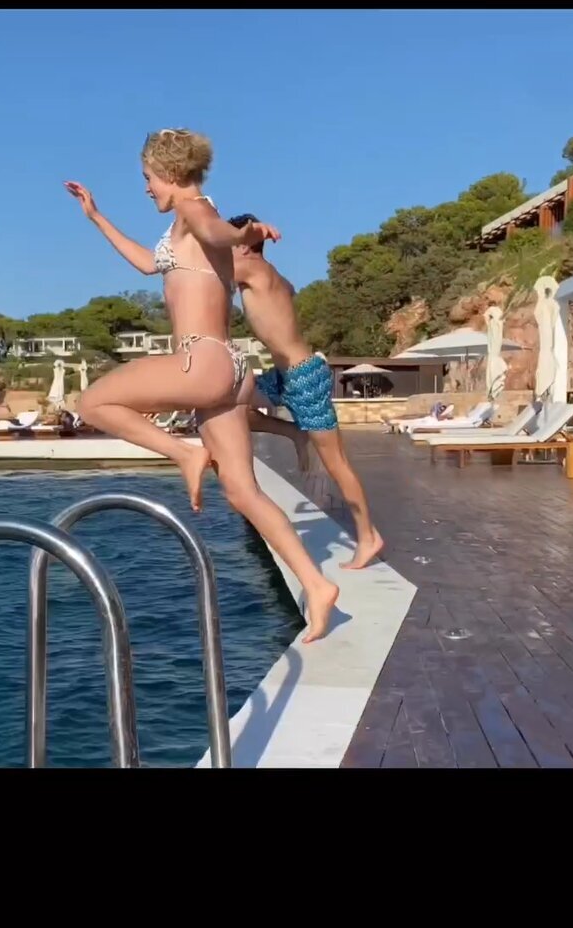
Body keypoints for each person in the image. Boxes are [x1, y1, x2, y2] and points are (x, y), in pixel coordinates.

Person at [64, 128, 338, 642]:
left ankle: (185, 455)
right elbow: (148, 263)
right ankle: (317, 585)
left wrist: (244, 232)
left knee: (93, 401)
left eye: (147, 177)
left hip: (201, 360)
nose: (146, 187)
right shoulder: (180, 227)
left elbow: (217, 231)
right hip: (230, 370)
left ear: (169, 173)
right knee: (243, 491)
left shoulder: (195, 211)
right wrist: (96, 217)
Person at [227, 213, 384, 571]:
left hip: (303, 377)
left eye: (230, 242)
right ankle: (293, 433)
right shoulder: (269, 273)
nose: (224, 247)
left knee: (337, 464)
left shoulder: (250, 268)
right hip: (283, 376)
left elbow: (206, 267)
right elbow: (287, 290)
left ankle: (368, 536)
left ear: (244, 245)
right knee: (231, 403)